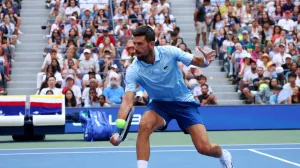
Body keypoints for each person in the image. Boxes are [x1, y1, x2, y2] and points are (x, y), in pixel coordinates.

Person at [109, 26, 233, 168]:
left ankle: (223, 154)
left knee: (204, 148)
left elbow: (197, 61)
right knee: (144, 125)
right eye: (134, 43)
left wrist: (205, 61)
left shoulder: (169, 52)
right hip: (159, 105)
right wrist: (117, 131)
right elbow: (127, 102)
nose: (135, 48)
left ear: (151, 44)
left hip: (184, 104)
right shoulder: (133, 69)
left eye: (140, 44)